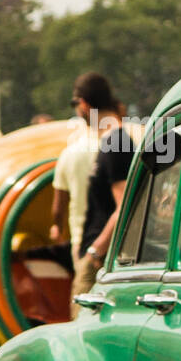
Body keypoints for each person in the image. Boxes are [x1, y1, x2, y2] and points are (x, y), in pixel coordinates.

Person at [70, 93, 137, 317]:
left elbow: (124, 206)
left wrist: (94, 253)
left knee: (80, 326)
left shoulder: (117, 143)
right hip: (102, 254)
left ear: (84, 104)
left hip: (101, 258)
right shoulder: (113, 141)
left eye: (74, 104)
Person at [51, 72, 119, 270]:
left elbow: (58, 208)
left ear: (83, 105)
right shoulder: (126, 142)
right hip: (127, 244)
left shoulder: (70, 153)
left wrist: (57, 228)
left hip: (88, 245)